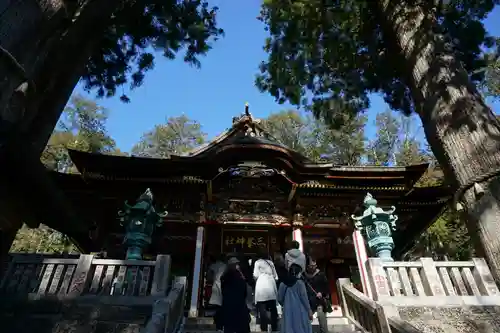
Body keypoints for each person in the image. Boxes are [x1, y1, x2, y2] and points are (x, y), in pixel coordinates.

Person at [277, 264, 313, 333]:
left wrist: (285, 304)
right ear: (297, 273)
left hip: (287, 311)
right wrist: (309, 310)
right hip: (300, 311)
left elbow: (279, 299)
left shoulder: (282, 284)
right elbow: (304, 298)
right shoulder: (300, 283)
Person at [221, 257, 251, 333]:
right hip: (239, 305)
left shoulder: (225, 277)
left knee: (229, 327)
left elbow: (223, 290)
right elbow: (244, 292)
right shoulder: (240, 277)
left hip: (229, 305)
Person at [253, 249, 279, 332]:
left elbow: (256, 275)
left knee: (262, 308)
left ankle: (263, 328)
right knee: (273, 308)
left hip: (261, 285)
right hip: (271, 285)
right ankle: (274, 327)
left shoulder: (257, 262)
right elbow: (276, 276)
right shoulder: (270, 263)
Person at [207, 255, 227, 332]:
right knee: (222, 307)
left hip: (216, 286)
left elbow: (209, 276)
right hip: (223, 287)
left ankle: (218, 325)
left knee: (217, 307)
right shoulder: (225, 266)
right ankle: (220, 325)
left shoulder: (213, 265)